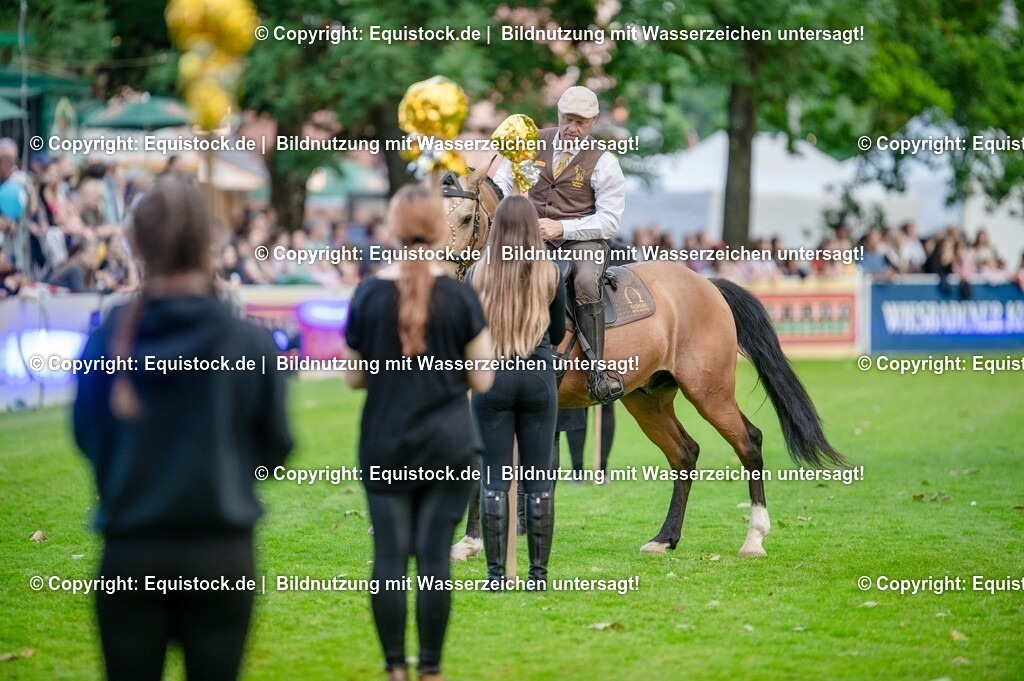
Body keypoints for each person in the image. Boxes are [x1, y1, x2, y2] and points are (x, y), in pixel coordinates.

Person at [72, 173, 293, 681]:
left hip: (133, 549)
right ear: (208, 243)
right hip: (218, 553)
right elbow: (275, 446)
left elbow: (88, 437)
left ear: (138, 244)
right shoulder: (245, 342)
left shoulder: (108, 336)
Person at [344, 184, 494, 681]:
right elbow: (483, 377)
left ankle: (393, 669)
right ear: (438, 228)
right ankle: (430, 669)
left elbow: (353, 377)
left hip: (385, 443)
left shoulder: (367, 293)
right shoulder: (458, 295)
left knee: (388, 558)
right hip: (449, 446)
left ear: (393, 227)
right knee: (434, 560)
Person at [494, 85, 626, 404]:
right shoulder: (531, 142)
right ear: (558, 114)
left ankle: (597, 370)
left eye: (581, 121)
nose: (572, 127)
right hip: (532, 238)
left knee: (583, 280)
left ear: (593, 121)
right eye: (568, 119)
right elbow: (502, 184)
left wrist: (561, 226)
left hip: (582, 240)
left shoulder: (604, 161)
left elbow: (610, 220)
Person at [468, 195, 566, 590]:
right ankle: (537, 576)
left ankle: (496, 577)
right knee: (539, 479)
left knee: (494, 477)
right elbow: (558, 334)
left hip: (493, 377)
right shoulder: (550, 271)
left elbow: (471, 332)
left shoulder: (479, 272)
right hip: (538, 375)